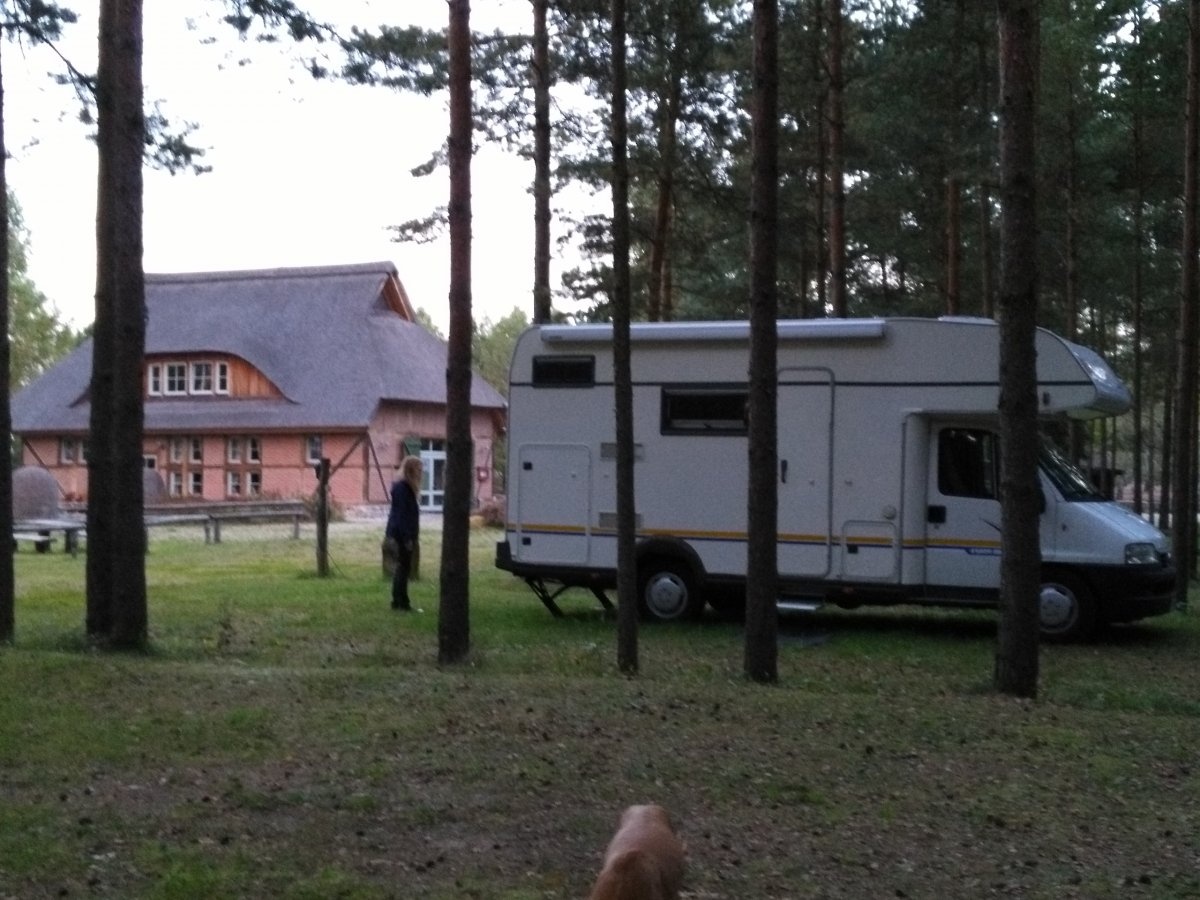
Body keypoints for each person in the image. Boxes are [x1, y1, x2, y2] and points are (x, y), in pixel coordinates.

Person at [385, 456, 422, 611]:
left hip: (404, 533)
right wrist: (407, 538)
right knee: (403, 567)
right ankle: (400, 602)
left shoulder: (406, 488)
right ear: (411, 469)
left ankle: (401, 601)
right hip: (402, 534)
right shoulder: (402, 488)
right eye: (419, 469)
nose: (421, 472)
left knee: (404, 568)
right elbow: (401, 515)